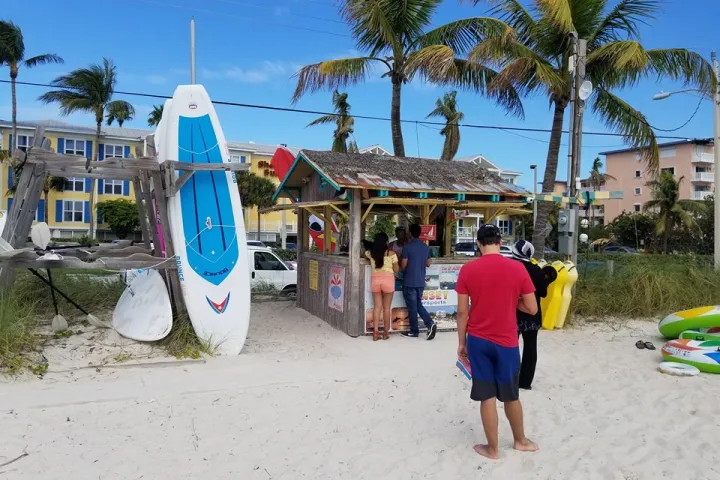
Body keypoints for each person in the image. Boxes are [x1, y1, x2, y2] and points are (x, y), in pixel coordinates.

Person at [455, 225, 539, 460]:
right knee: (511, 395)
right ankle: (520, 441)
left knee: (487, 396)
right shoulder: (517, 268)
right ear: (500, 242)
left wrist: (461, 343)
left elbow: (462, 312)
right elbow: (532, 308)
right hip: (507, 341)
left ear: (479, 244)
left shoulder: (468, 270)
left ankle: (492, 450)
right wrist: (512, 302)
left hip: (478, 341)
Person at [511, 240, 549, 390]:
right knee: (530, 347)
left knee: (511, 346)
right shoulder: (536, 270)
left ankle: (510, 377)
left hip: (513, 313)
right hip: (532, 314)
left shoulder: (511, 268)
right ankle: (525, 382)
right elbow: (544, 294)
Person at [400, 223, 437, 340]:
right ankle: (430, 323)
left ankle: (414, 331)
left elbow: (404, 265)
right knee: (418, 304)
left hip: (409, 281)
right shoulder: (425, 247)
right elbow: (428, 263)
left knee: (412, 307)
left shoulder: (407, 246)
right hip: (420, 281)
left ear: (410, 233)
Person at [364, 233, 399, 341]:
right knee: (386, 308)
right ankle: (385, 332)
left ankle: (375, 333)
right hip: (388, 281)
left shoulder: (370, 253)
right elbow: (396, 270)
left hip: (375, 281)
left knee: (377, 307)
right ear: (386, 242)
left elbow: (363, 254)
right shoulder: (391, 254)